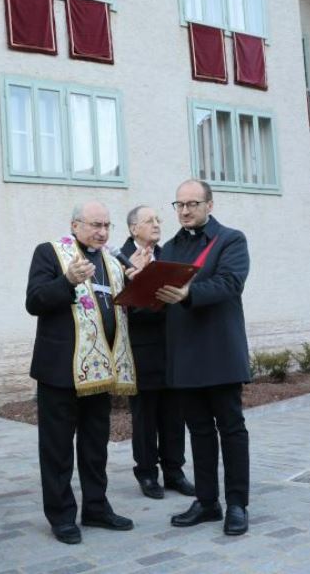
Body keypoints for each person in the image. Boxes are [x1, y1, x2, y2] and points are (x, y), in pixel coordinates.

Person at [25, 201, 137, 545]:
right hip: (59, 371)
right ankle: (61, 515)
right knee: (57, 449)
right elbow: (34, 301)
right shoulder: (49, 253)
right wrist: (66, 281)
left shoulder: (113, 262)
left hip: (99, 370)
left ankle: (96, 507)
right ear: (75, 225)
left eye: (107, 225)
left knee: (94, 446)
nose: (102, 232)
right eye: (94, 225)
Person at [155, 179, 251, 536]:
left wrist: (187, 293)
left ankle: (237, 503)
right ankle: (208, 502)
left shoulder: (230, 240)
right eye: (179, 204)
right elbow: (158, 298)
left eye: (193, 203)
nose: (185, 210)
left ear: (210, 205)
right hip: (184, 355)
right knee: (198, 431)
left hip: (220, 352)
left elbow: (229, 283)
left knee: (231, 429)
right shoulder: (168, 248)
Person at [121, 206, 195, 500]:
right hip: (141, 349)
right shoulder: (119, 258)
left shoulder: (168, 255)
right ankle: (148, 474)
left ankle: (174, 472)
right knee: (145, 416)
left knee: (174, 414)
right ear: (133, 229)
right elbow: (121, 304)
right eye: (149, 220)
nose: (156, 224)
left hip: (172, 347)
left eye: (158, 220)